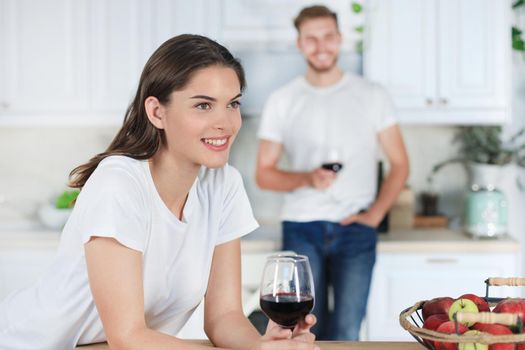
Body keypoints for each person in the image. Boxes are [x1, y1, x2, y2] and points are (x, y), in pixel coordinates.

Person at [0, 34, 319, 350]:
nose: (226, 122)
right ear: (156, 112)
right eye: (204, 105)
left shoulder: (224, 185)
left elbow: (224, 316)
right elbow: (128, 337)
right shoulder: (120, 185)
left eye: (232, 103)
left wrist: (264, 347)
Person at [255, 5, 410, 341]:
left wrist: (375, 214)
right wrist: (307, 179)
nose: (320, 46)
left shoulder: (372, 95)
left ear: (339, 39)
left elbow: (400, 164)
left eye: (327, 37)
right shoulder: (283, 100)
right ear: (299, 44)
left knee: (346, 332)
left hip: (356, 229)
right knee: (303, 331)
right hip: (301, 227)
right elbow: (264, 175)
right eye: (311, 39)